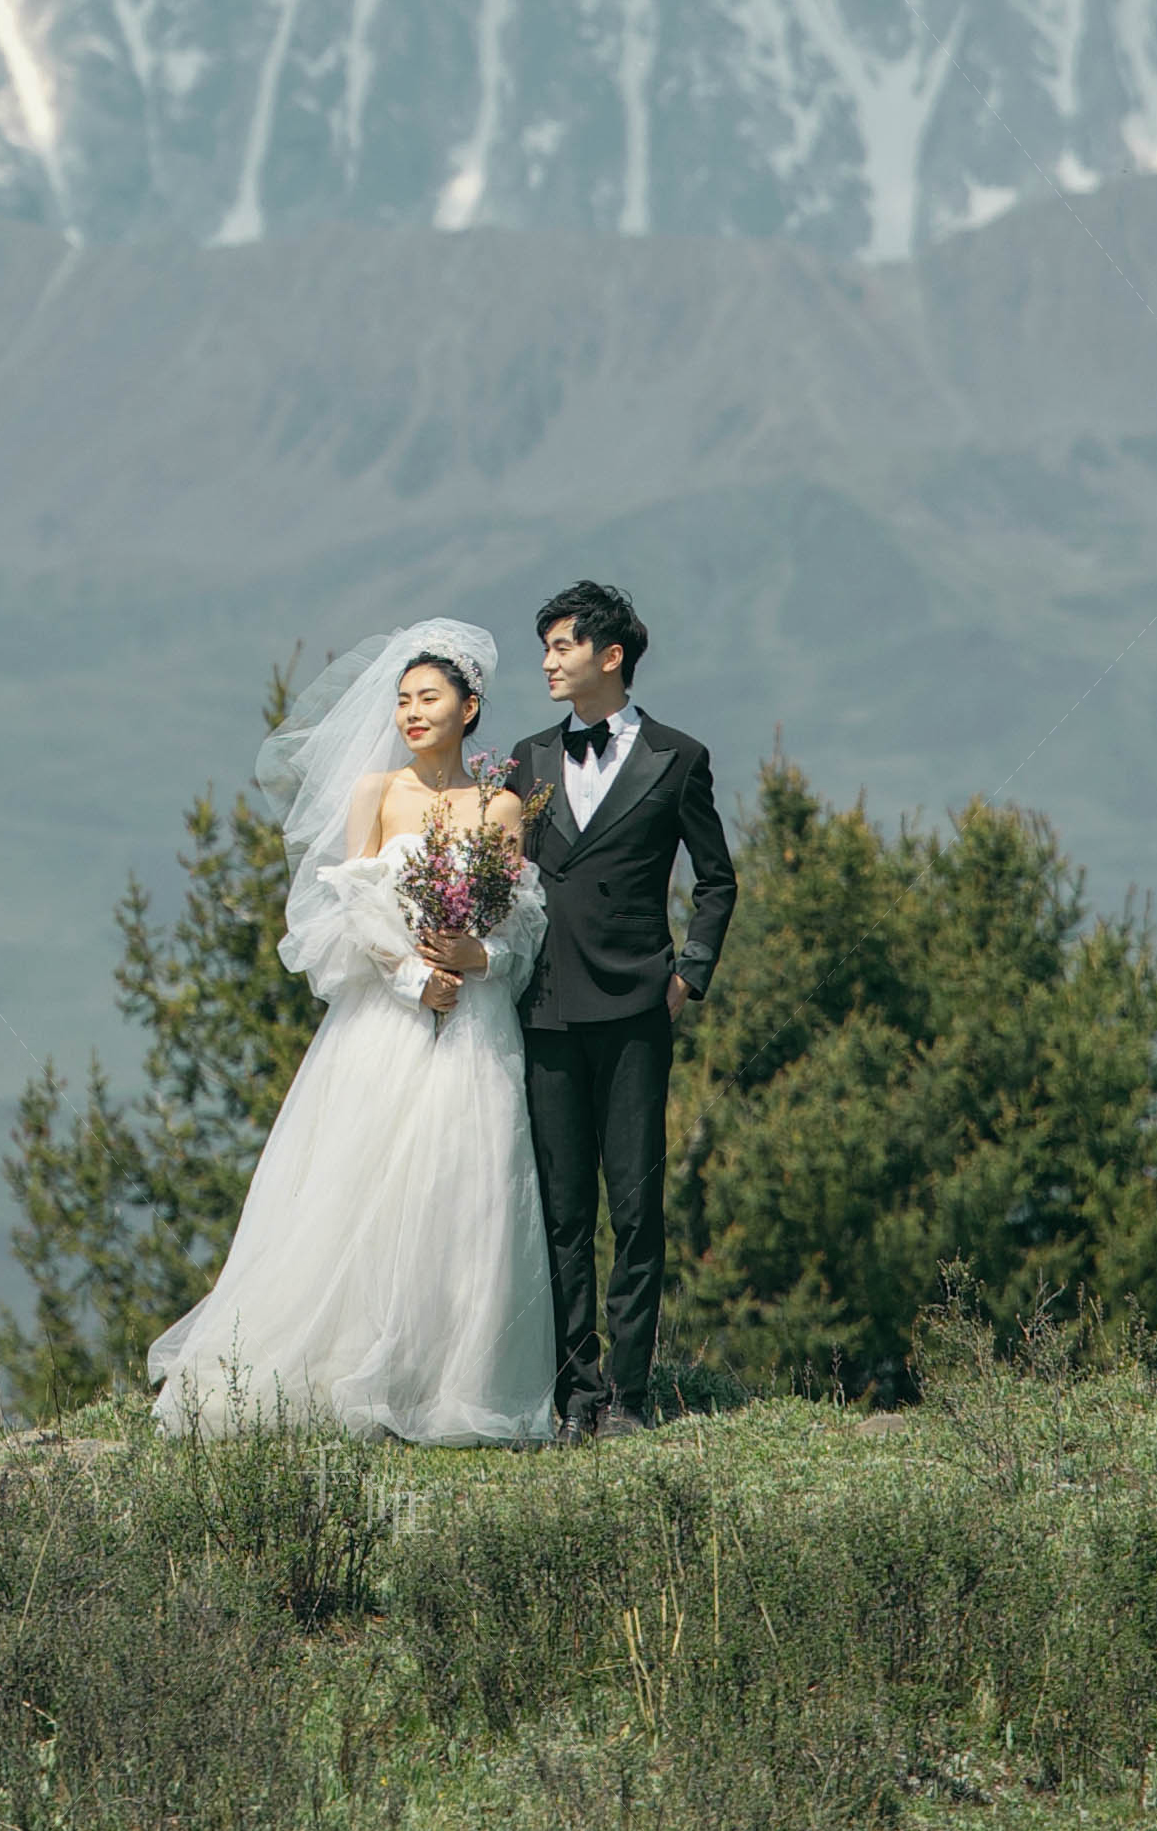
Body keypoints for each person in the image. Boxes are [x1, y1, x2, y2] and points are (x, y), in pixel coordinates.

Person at [140, 625, 560, 1444]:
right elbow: (341, 914)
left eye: (429, 698)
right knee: (354, 1184)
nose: (410, 712)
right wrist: (412, 976)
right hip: (384, 1017)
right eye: (402, 700)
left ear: (469, 709)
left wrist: (477, 955)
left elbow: (521, 926)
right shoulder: (376, 794)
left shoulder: (500, 806)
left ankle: (448, 1382)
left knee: (464, 1184)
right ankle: (340, 1373)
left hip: (474, 1020)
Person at [514, 576, 733, 1438]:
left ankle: (630, 1400)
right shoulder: (525, 760)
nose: (548, 661)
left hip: (640, 1012)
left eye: (562, 645)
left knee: (636, 1211)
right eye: (545, 647)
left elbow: (717, 881)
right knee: (564, 1212)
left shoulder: (679, 757)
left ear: (611, 656)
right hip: (545, 1011)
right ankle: (576, 1393)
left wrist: (690, 976)